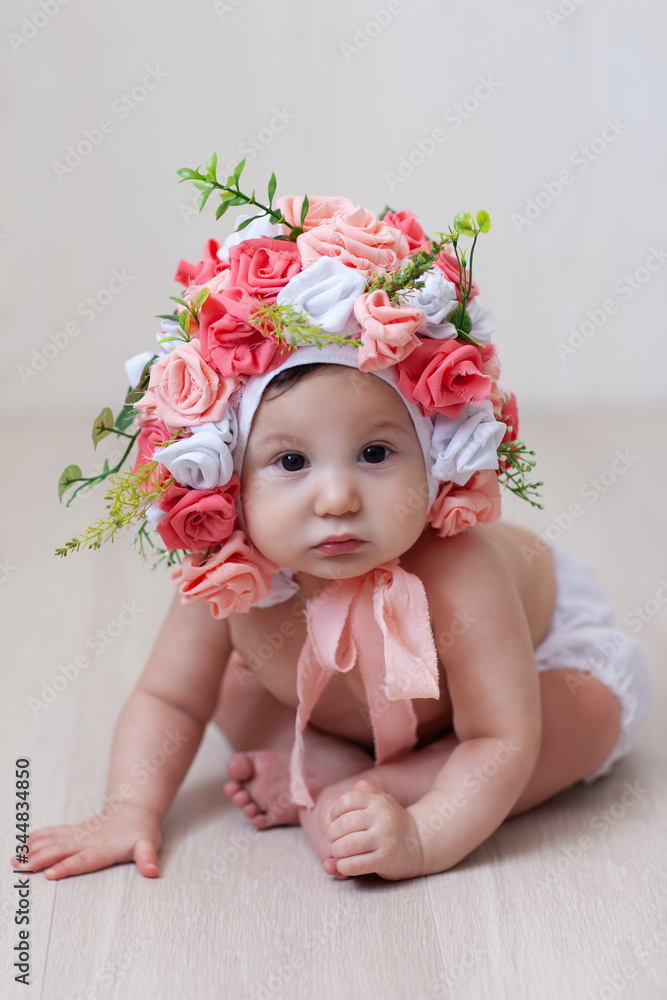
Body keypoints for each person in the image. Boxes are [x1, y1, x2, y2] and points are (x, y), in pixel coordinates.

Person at [15, 190, 652, 882]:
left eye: (376, 454)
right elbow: (169, 699)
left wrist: (422, 836)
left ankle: (396, 784)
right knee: (222, 678)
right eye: (290, 462)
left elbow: (501, 737)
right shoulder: (232, 574)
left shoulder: (459, 571)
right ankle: (334, 765)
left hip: (524, 676)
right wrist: (129, 808)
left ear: (434, 455)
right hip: (349, 702)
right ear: (228, 480)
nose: (339, 497)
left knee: (585, 710)